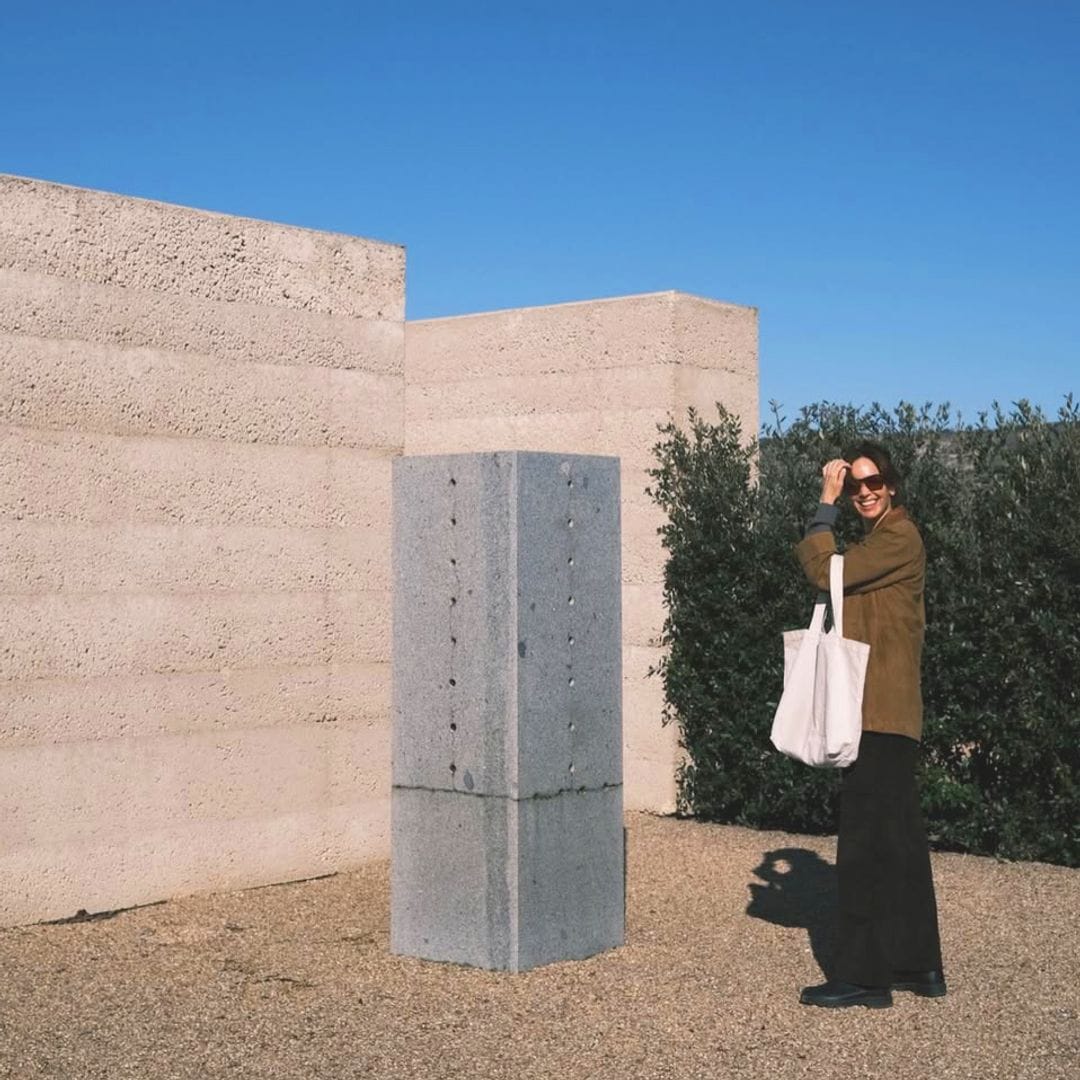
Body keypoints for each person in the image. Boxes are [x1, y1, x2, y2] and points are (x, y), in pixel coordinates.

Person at [795, 441, 945, 1009]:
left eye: (872, 480)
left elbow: (820, 569)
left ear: (893, 483)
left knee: (862, 846)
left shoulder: (899, 539)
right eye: (853, 484)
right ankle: (917, 966)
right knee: (900, 844)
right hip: (887, 712)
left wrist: (824, 505)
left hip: (878, 715)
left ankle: (863, 976)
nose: (864, 490)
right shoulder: (883, 541)